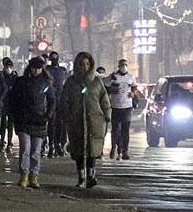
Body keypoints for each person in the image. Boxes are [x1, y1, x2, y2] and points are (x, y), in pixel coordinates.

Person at [61, 51, 111, 189]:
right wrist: (67, 115)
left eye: (87, 64)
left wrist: (107, 115)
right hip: (76, 121)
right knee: (78, 150)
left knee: (92, 149)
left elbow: (104, 100)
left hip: (94, 121)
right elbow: (64, 100)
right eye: (82, 64)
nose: (85, 67)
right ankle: (81, 177)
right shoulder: (71, 82)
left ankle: (91, 175)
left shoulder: (97, 81)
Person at [9, 56, 55, 189]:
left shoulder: (46, 83)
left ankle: (34, 176)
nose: (36, 70)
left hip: (39, 121)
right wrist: (16, 115)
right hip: (24, 120)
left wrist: (47, 116)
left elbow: (52, 100)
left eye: (39, 68)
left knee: (35, 150)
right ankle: (24, 175)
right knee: (25, 148)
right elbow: (12, 99)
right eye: (34, 68)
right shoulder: (21, 81)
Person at [106, 58, 137, 160]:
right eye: (122, 65)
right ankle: (114, 148)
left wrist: (133, 93)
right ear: (119, 66)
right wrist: (114, 90)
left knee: (125, 130)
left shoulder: (130, 77)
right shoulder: (114, 76)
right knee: (115, 130)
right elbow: (106, 87)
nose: (124, 66)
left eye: (125, 65)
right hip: (115, 107)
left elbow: (134, 87)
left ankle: (125, 151)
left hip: (127, 107)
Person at [45, 51, 69, 157]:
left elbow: (66, 85)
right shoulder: (47, 70)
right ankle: (51, 144)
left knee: (60, 123)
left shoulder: (63, 71)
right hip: (50, 99)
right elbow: (44, 85)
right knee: (51, 123)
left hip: (61, 99)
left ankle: (58, 143)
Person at [0, 58, 18, 153]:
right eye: (7, 67)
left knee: (10, 124)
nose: (8, 68)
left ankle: (9, 142)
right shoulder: (1, 76)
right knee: (2, 124)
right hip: (4, 103)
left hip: (12, 104)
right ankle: (2, 141)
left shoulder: (15, 77)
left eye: (10, 67)